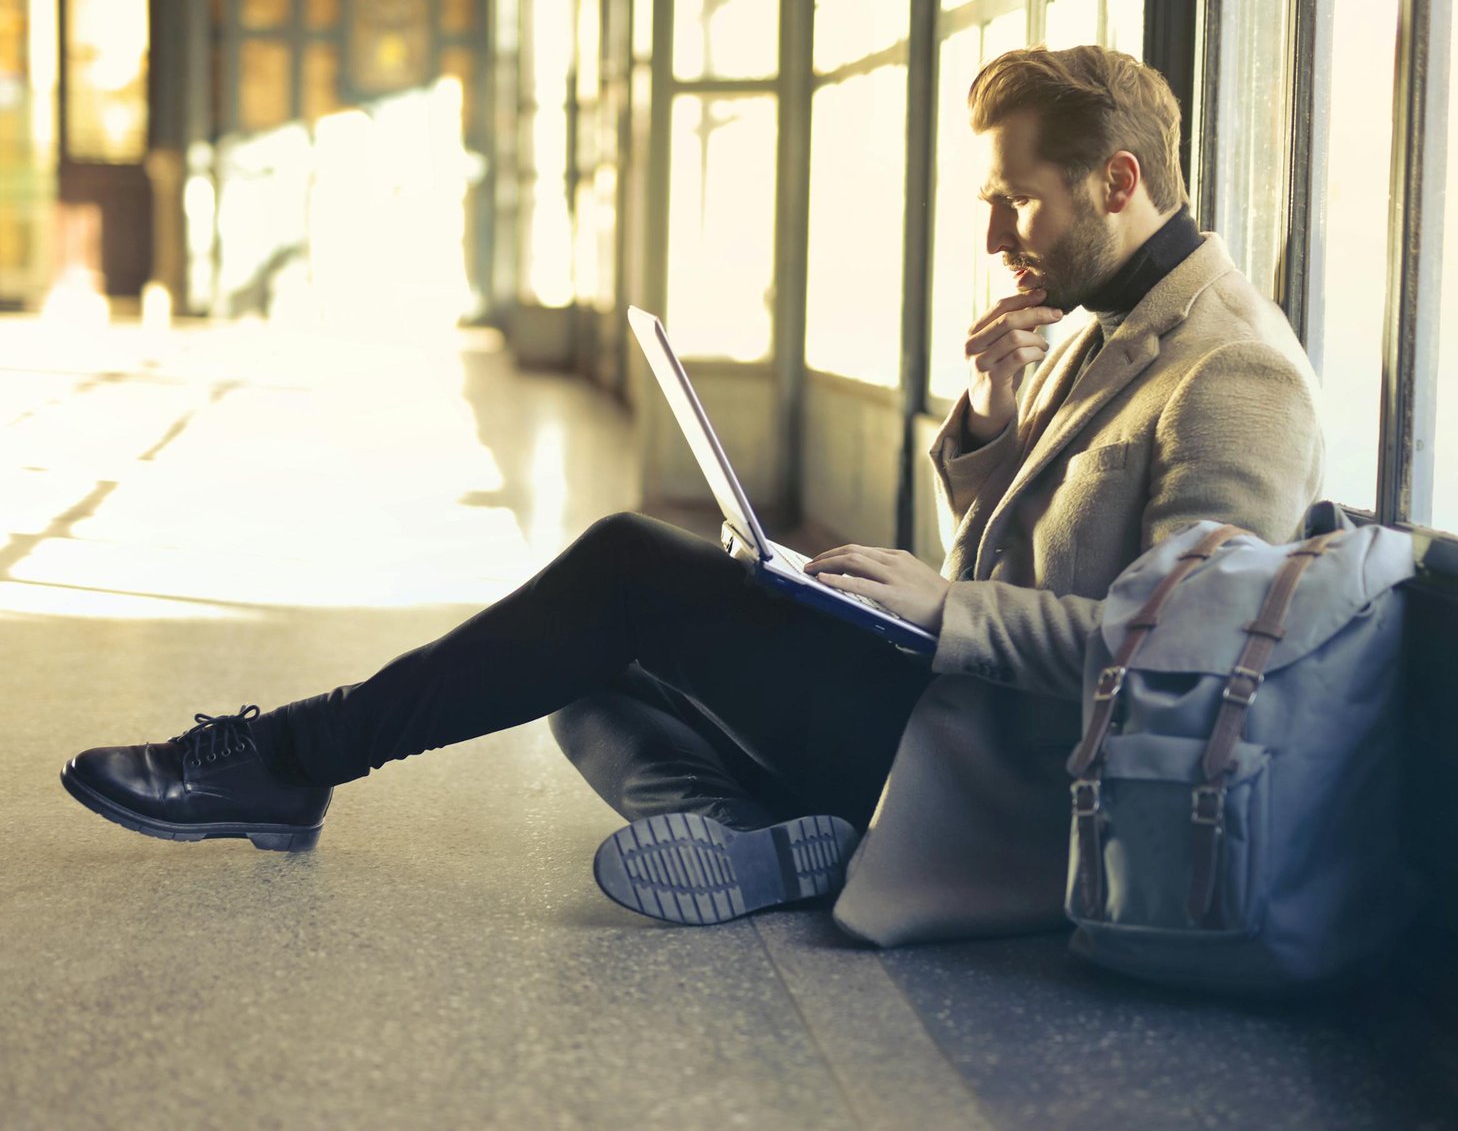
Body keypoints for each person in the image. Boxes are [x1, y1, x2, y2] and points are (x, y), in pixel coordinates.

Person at [59, 46, 1322, 939]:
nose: (998, 238)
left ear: (1115, 180)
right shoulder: (1104, 320)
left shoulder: (1234, 372)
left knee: (620, 569)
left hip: (1009, 782)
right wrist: (990, 428)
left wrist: (944, 613)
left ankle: (291, 756)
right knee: (581, 669)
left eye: (1019, 201)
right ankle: (760, 836)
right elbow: (1033, 562)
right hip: (947, 705)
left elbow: (1186, 673)